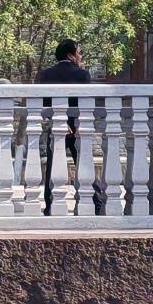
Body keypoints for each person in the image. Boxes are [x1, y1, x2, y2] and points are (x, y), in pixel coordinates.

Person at [38, 37, 93, 212]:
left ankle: (50, 205)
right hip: (77, 128)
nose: (81, 56)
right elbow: (85, 103)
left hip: (56, 125)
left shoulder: (45, 75)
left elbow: (45, 104)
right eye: (79, 53)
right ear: (70, 55)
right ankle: (93, 203)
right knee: (84, 165)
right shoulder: (82, 74)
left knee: (52, 167)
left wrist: (58, 119)